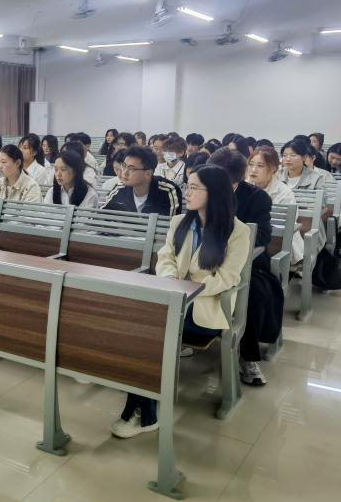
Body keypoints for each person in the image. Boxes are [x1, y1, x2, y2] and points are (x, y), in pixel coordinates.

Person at [110, 165, 250, 438]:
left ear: (215, 193)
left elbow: (227, 278)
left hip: (204, 308)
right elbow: (165, 257)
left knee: (149, 331)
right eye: (187, 185)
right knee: (133, 320)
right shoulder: (180, 222)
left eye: (194, 187)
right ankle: (140, 402)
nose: (187, 192)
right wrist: (169, 278)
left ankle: (144, 414)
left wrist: (188, 288)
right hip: (171, 299)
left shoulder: (237, 231)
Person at [209, 148, 278, 386]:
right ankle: (187, 335)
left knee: (252, 294)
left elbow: (263, 237)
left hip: (249, 263)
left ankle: (248, 357)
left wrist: (234, 258)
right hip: (206, 260)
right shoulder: (202, 191)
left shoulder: (257, 198)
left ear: (235, 180)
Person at [246, 146, 303, 264]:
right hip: (249, 239)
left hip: (277, 242)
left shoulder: (285, 193)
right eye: (251, 164)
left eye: (260, 166)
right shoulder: (243, 188)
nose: (253, 170)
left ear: (273, 169)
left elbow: (285, 227)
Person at [102, 146, 181, 214]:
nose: (124, 172)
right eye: (124, 166)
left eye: (131, 169)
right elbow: (101, 216)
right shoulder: (119, 188)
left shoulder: (167, 191)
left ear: (148, 173)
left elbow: (171, 224)